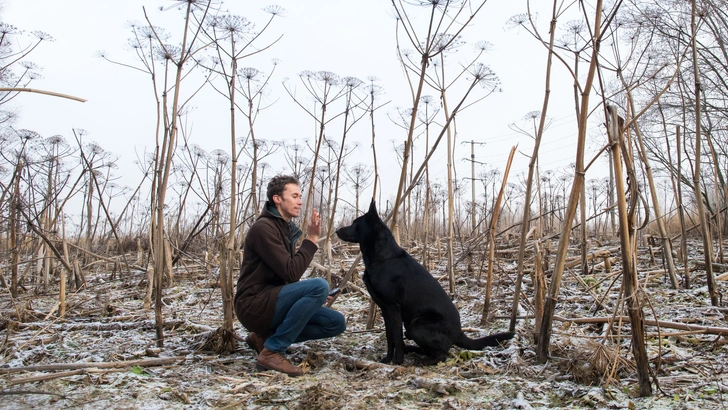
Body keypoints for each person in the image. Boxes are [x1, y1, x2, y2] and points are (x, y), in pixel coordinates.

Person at [234, 175, 346, 376]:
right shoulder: (263, 228)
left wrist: (316, 298)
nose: (300, 201)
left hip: (271, 301)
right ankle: (273, 350)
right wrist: (311, 239)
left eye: (300, 196)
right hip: (253, 305)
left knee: (336, 322)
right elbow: (292, 271)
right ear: (277, 199)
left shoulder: (283, 229)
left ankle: (263, 338)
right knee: (319, 285)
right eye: (294, 196)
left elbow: (287, 277)